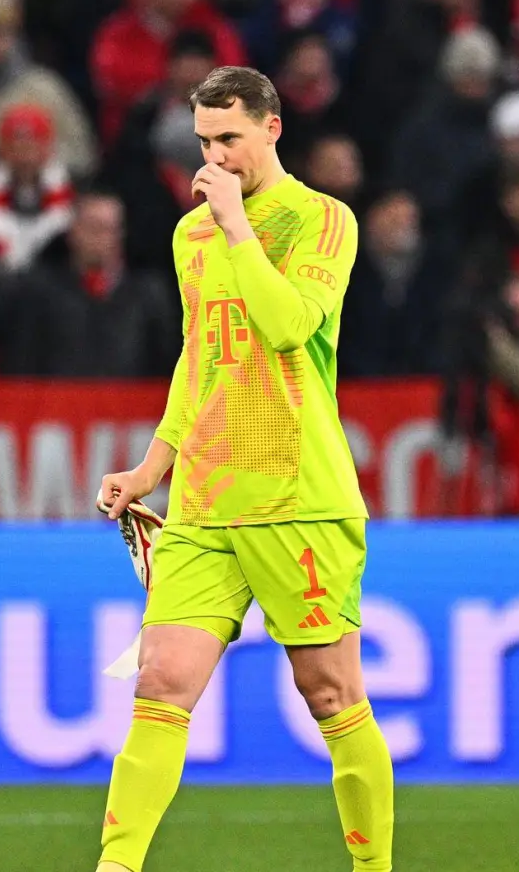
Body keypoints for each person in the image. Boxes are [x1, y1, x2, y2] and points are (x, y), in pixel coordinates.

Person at [94, 66, 391, 872]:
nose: (214, 157)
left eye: (229, 138)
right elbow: (202, 356)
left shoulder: (323, 221)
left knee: (331, 695)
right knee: (161, 683)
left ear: (271, 128)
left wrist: (238, 229)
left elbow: (290, 325)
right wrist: (154, 463)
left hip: (300, 496)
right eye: (203, 142)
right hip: (206, 502)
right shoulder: (192, 236)